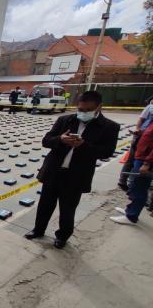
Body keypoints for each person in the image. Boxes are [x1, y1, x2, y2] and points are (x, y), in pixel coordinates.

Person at [25, 91, 120, 248]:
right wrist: (60, 139)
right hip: (54, 171)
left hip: (76, 175)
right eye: (80, 109)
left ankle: (62, 237)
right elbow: (46, 140)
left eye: (87, 110)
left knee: (68, 209)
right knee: (45, 205)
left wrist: (83, 146)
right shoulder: (65, 120)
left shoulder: (109, 127)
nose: (82, 113)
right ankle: (38, 230)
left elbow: (107, 152)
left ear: (98, 107)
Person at [110, 122, 153, 225]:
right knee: (135, 186)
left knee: (139, 188)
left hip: (146, 160)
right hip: (142, 157)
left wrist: (147, 163)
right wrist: (141, 133)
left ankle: (131, 216)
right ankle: (130, 210)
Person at [117, 97, 153, 191]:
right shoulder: (149, 107)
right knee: (133, 159)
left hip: (147, 138)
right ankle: (126, 183)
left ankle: (133, 185)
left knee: (137, 161)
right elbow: (141, 119)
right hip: (141, 137)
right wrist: (137, 129)